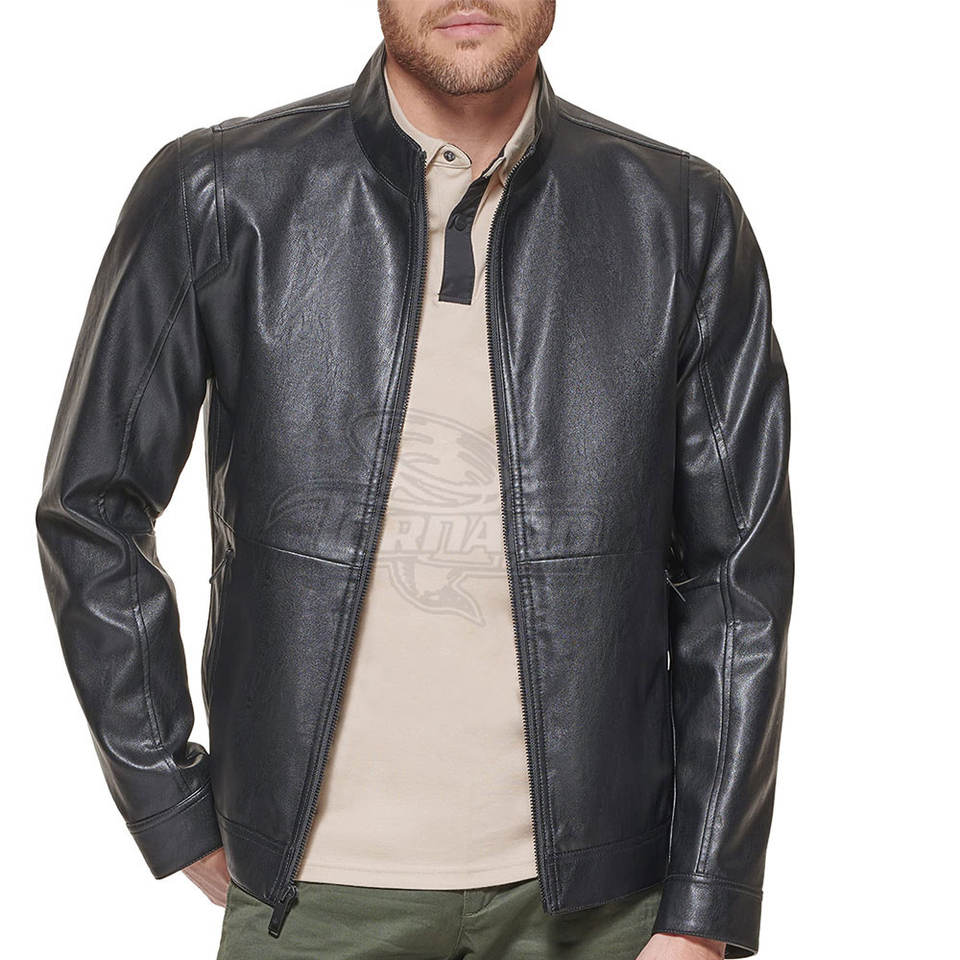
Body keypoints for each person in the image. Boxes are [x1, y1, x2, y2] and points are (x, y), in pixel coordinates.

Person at [34, 2, 794, 958]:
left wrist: (704, 905)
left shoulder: (678, 216)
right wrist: (168, 803)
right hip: (314, 899)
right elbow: (93, 508)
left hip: (609, 906)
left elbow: (737, 576)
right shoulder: (222, 192)